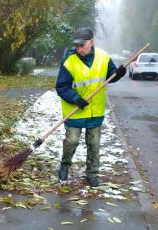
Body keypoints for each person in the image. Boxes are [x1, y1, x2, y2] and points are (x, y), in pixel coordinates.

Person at [55, 27, 126, 187]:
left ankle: (92, 174)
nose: (79, 49)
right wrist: (75, 98)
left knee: (94, 144)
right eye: (77, 46)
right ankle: (64, 167)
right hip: (75, 112)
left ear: (91, 42)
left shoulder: (103, 57)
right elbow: (61, 87)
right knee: (71, 141)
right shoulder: (69, 61)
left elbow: (110, 77)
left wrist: (119, 74)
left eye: (82, 45)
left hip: (95, 111)